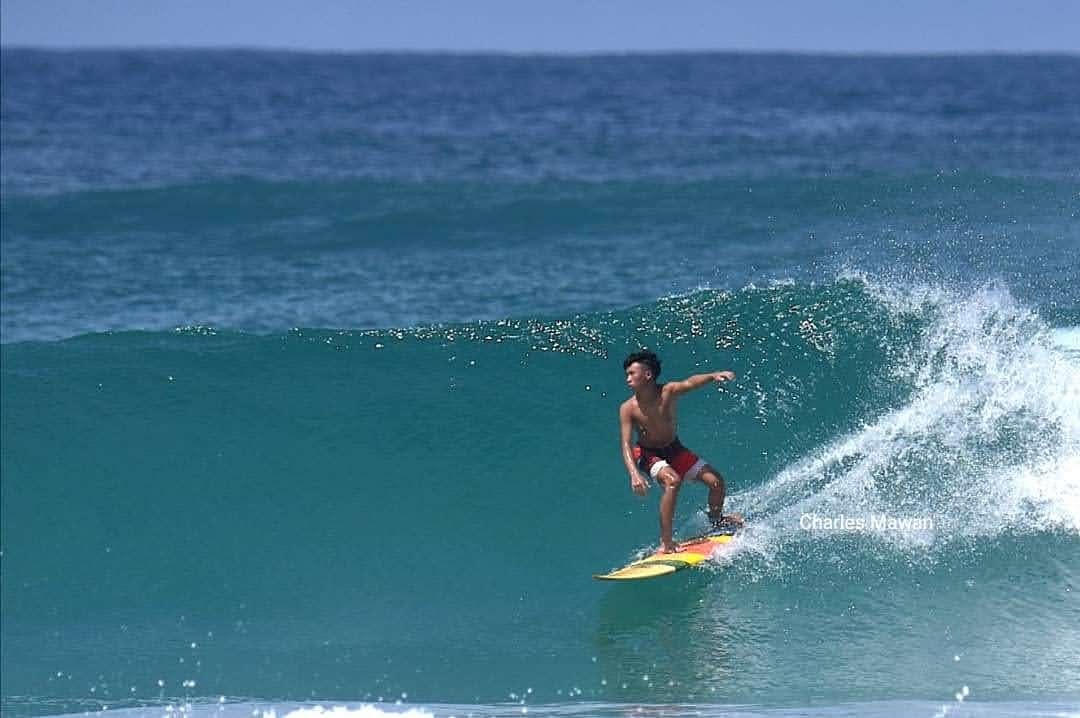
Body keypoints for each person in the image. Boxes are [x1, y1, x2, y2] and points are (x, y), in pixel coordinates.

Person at [619, 350, 743, 553]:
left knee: (716, 482)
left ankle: (717, 521)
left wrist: (713, 376)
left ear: (648, 374)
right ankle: (666, 542)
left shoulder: (668, 391)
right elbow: (625, 444)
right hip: (648, 454)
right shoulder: (628, 408)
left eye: (632, 373)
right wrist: (634, 474)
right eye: (627, 374)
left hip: (674, 449)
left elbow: (690, 382)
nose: (628, 378)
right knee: (672, 481)